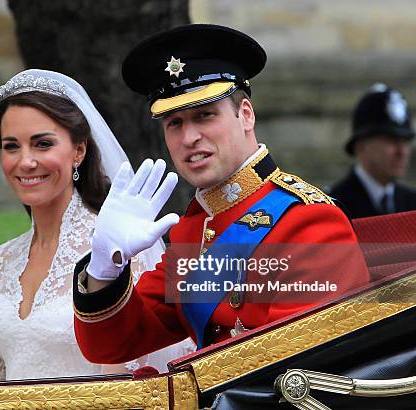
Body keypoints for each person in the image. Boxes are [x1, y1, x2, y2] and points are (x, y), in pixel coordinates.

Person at [72, 24, 370, 362]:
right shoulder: (196, 228)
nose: (189, 137)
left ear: (245, 115)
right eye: (174, 123)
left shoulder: (309, 220)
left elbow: (300, 367)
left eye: (204, 116)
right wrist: (104, 270)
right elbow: (113, 345)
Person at [0, 69, 195, 382]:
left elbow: (123, 389)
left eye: (42, 144)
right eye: (11, 146)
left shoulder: (117, 247)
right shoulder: (0, 261)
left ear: (78, 151)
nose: (25, 161)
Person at [329, 83, 416, 218]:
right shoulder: (334, 206)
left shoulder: (411, 203)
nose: (402, 152)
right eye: (391, 140)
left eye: (405, 141)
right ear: (361, 146)